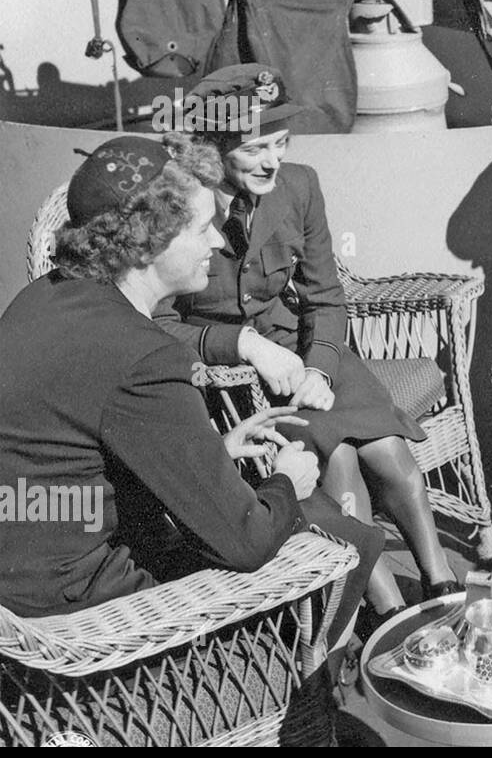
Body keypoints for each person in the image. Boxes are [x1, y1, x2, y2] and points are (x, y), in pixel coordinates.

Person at [0, 136, 382, 644]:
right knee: (330, 530)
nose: (220, 243)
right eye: (203, 228)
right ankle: (310, 697)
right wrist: (287, 480)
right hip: (84, 621)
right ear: (150, 241)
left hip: (23, 585)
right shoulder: (146, 355)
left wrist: (209, 452)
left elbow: (63, 462)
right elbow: (244, 543)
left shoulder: (39, 299)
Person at [151, 65, 461, 634]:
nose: (272, 160)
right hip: (237, 378)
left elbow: (325, 296)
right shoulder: (179, 206)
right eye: (254, 147)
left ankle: (442, 586)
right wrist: (241, 344)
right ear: (214, 149)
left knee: (390, 451)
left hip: (306, 348)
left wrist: (320, 366)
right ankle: (386, 611)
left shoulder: (300, 185)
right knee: (338, 458)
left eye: (280, 143)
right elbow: (157, 323)